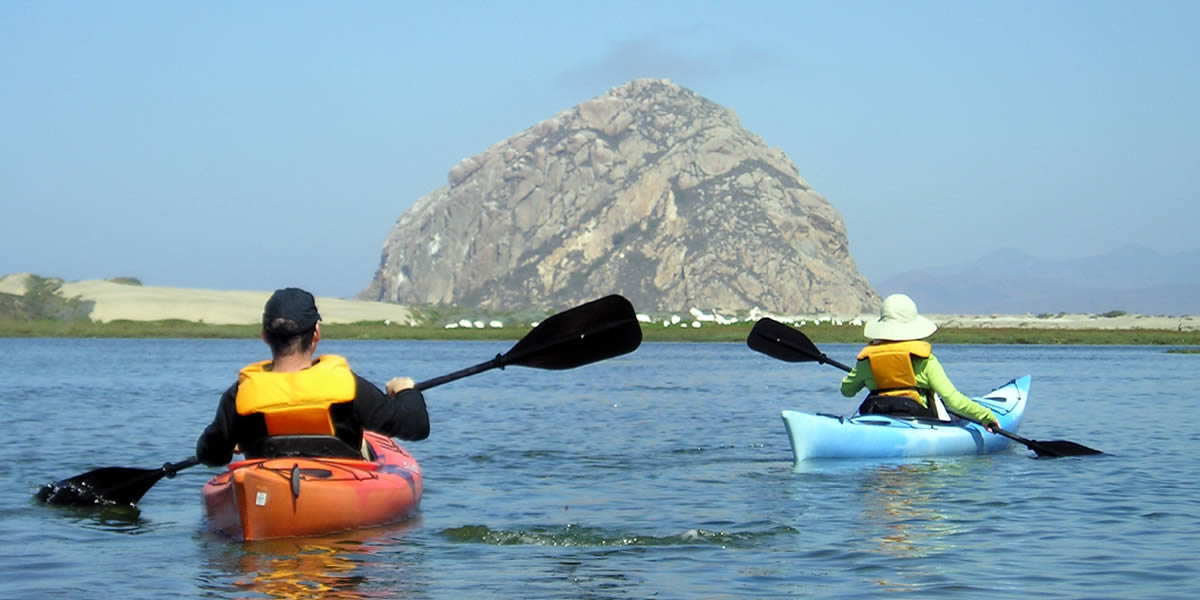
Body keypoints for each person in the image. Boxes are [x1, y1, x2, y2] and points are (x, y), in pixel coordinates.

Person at [196, 287, 429, 466]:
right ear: (316, 334)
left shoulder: (239, 395)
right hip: (336, 489)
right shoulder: (348, 387)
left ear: (265, 336)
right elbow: (416, 426)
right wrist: (406, 390)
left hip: (267, 492)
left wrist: (234, 441)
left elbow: (210, 455)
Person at [840, 293, 1000, 431]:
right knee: (954, 415)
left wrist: (865, 376)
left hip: (877, 422)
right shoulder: (925, 360)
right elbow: (953, 402)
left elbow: (846, 390)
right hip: (919, 422)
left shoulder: (867, 360)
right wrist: (986, 416)